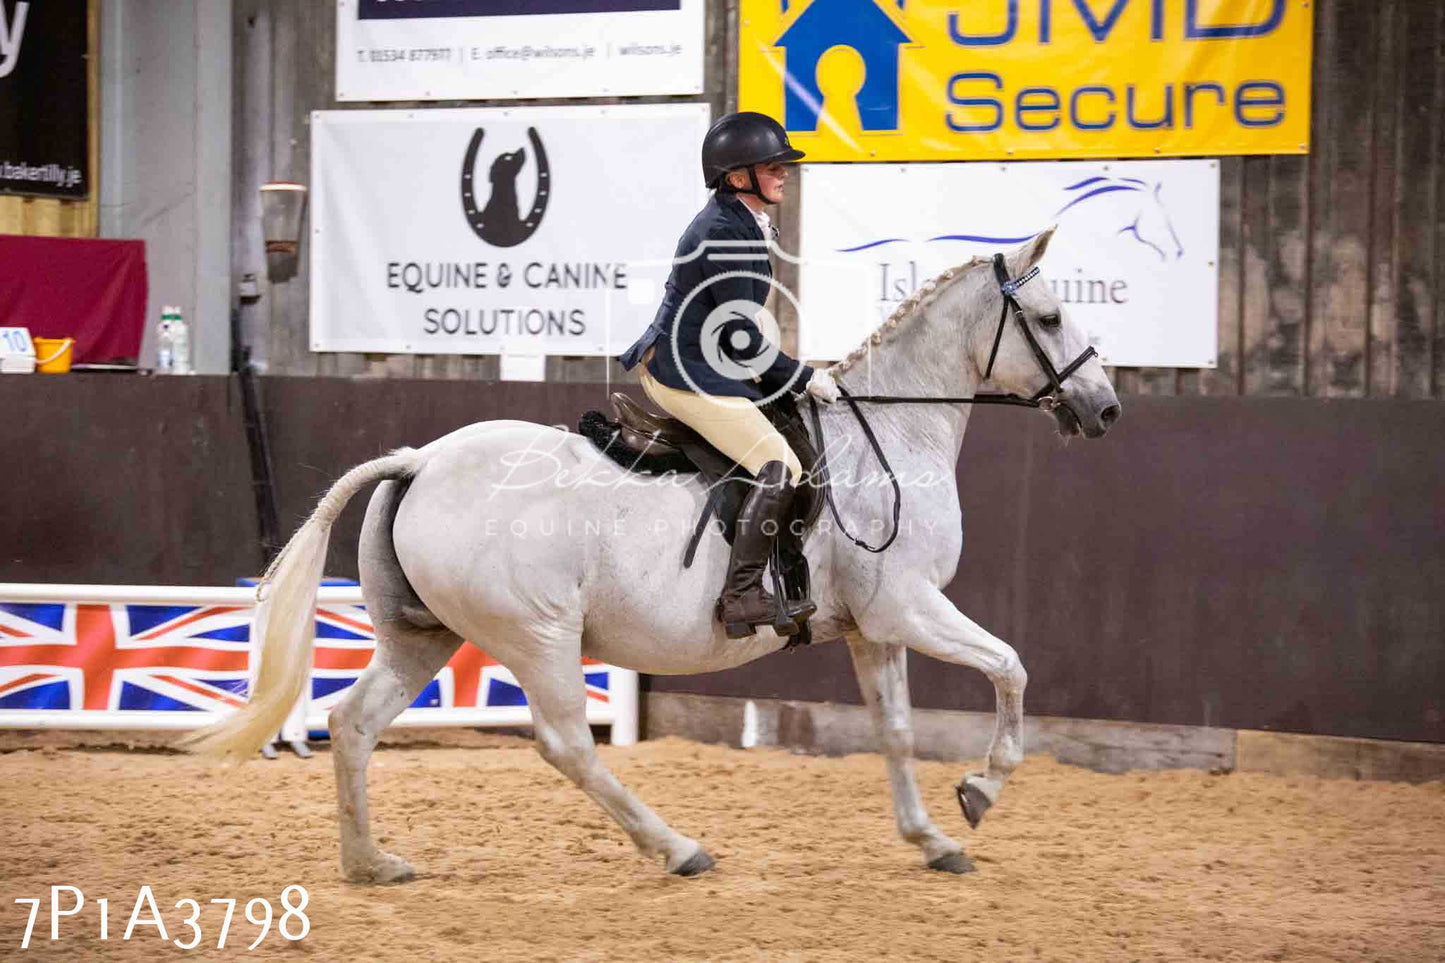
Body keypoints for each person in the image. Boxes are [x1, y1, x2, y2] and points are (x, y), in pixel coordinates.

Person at [618, 111, 841, 639]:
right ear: (738, 177)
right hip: (684, 370)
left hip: (710, 358)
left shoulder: (741, 220)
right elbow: (741, 336)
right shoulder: (724, 232)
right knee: (779, 464)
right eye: (773, 166)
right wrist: (802, 376)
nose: (785, 173)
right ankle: (740, 594)